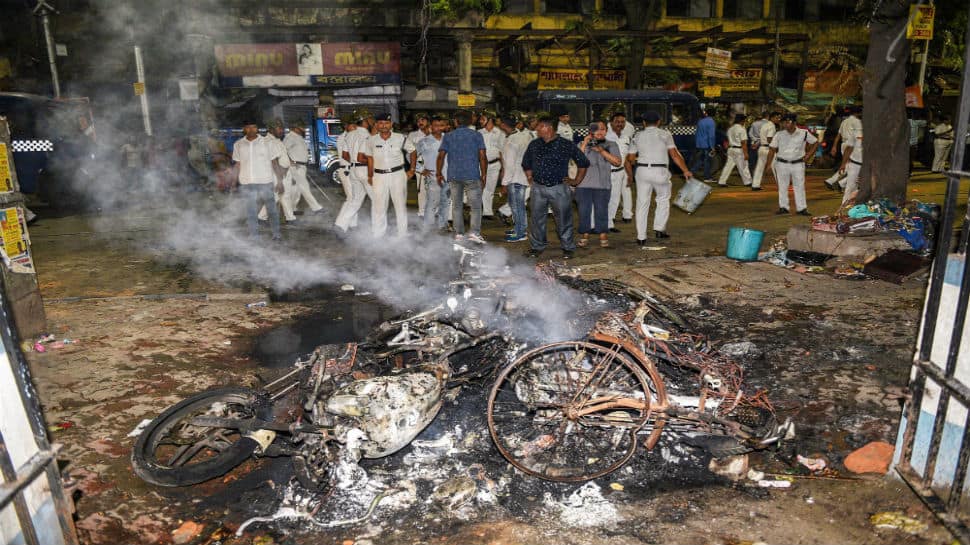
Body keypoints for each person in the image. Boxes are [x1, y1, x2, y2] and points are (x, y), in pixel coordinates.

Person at [521, 115, 590, 259]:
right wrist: (529, 177)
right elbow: (526, 162)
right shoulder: (534, 144)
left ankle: (568, 247)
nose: (537, 129)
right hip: (538, 188)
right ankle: (537, 246)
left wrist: (576, 180)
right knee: (536, 218)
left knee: (564, 218)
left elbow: (583, 162)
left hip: (559, 188)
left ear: (549, 128)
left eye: (540, 126)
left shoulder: (565, 144)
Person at [627, 111, 692, 245]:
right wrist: (685, 170)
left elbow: (631, 158)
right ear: (658, 122)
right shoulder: (665, 134)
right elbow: (674, 155)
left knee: (642, 203)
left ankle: (641, 237)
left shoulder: (637, 136)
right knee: (662, 200)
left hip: (642, 171)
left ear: (644, 123)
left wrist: (643, 159)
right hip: (660, 171)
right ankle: (659, 229)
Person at [437, 110, 487, 243]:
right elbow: (482, 156)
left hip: (454, 175)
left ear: (455, 121)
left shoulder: (448, 136)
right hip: (472, 174)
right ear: (470, 121)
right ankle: (474, 233)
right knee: (475, 206)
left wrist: (438, 173)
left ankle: (459, 233)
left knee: (457, 206)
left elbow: (441, 156)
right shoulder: (477, 135)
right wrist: (484, 174)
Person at [365, 113, 415, 238]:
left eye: (386, 123)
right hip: (379, 176)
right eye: (380, 123)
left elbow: (413, 151)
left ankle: (402, 235)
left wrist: (412, 169)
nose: (383, 126)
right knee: (379, 206)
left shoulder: (400, 138)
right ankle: (378, 234)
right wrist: (370, 175)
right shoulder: (371, 140)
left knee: (400, 206)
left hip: (397, 175)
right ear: (376, 125)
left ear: (391, 124)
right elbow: (370, 158)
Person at [232, 119, 283, 240]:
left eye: (254, 127)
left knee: (271, 210)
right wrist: (233, 183)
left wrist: (280, 181)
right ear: (244, 129)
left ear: (257, 128)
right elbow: (237, 164)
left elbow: (274, 162)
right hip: (247, 182)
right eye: (248, 127)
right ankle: (254, 235)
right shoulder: (238, 144)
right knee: (251, 210)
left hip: (265, 181)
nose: (251, 130)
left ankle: (276, 233)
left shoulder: (267, 142)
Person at [577, 121, 622, 249]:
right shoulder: (581, 144)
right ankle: (585, 235)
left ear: (606, 131)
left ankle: (603, 235)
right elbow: (578, 160)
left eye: (603, 129)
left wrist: (601, 151)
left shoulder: (611, 144)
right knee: (584, 211)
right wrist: (585, 143)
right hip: (583, 184)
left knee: (602, 210)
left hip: (603, 184)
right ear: (590, 131)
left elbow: (617, 162)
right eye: (596, 129)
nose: (600, 131)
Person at [766, 113, 819, 216]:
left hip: (798, 164)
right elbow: (772, 149)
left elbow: (816, 142)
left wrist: (808, 155)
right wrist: (768, 164)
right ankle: (783, 207)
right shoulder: (779, 134)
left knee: (799, 186)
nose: (785, 124)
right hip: (781, 163)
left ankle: (801, 208)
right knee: (782, 186)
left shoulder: (804, 133)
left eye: (787, 122)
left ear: (794, 123)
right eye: (784, 122)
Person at [334, 109, 375, 234]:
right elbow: (363, 157)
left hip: (353, 170)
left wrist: (355, 163)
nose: (373, 121)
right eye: (371, 118)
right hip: (364, 170)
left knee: (356, 200)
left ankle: (340, 226)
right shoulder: (367, 135)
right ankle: (378, 230)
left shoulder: (350, 134)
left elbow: (345, 155)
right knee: (378, 200)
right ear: (366, 120)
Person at [413, 116, 450, 231]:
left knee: (446, 202)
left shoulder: (449, 139)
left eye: (441, 125)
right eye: (435, 126)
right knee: (432, 202)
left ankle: (442, 225)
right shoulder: (424, 141)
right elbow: (412, 156)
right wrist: (420, 169)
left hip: (448, 177)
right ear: (431, 127)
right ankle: (427, 227)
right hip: (432, 177)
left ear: (445, 126)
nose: (438, 128)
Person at [498, 115, 531, 243]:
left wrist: (504, 183)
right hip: (520, 176)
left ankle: (520, 233)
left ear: (503, 125)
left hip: (515, 178)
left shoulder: (512, 141)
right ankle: (519, 228)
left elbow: (510, 165)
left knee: (517, 206)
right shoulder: (522, 136)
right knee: (517, 205)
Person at [282, 119, 324, 217]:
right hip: (295, 166)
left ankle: (292, 209)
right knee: (304, 187)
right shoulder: (290, 137)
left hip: (301, 166)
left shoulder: (298, 137)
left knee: (296, 190)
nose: (304, 129)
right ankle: (316, 208)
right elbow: (283, 150)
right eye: (302, 127)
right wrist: (290, 162)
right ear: (296, 128)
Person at [258, 119, 296, 225]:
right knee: (278, 196)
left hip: (283, 172)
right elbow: (273, 161)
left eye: (282, 128)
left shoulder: (277, 140)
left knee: (281, 196)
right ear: (271, 129)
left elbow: (282, 155)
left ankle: (289, 218)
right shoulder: (269, 141)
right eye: (279, 128)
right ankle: (289, 219)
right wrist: (279, 180)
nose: (282, 130)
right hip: (276, 173)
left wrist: (290, 162)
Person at [606, 112, 634, 231]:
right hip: (607, 172)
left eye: (622, 122)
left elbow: (626, 158)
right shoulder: (605, 136)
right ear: (611, 122)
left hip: (621, 172)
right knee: (606, 198)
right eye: (617, 122)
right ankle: (604, 223)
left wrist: (630, 175)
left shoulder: (625, 137)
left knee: (615, 198)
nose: (620, 124)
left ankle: (610, 222)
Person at [824, 106, 862, 191]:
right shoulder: (857, 122)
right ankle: (837, 182)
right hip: (852, 146)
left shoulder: (844, 121)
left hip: (843, 145)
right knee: (854, 166)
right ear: (857, 113)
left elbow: (838, 136)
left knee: (849, 166)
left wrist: (834, 147)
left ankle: (838, 183)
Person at [478, 109, 506, 219]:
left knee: (490, 188)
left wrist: (504, 168)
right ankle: (477, 209)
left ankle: (487, 212)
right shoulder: (479, 133)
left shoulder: (500, 133)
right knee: (479, 187)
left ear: (490, 119)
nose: (480, 121)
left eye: (482, 119)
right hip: (480, 164)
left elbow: (502, 151)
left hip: (494, 164)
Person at [717, 114, 753, 187]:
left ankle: (722, 181)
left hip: (731, 149)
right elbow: (743, 142)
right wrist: (746, 153)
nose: (745, 122)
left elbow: (727, 139)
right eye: (744, 120)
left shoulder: (730, 128)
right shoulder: (742, 129)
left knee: (728, 166)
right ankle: (748, 182)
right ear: (742, 120)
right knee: (743, 166)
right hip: (739, 149)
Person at [335, 116, 358, 228]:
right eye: (353, 125)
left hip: (351, 169)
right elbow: (347, 155)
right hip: (346, 169)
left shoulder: (351, 136)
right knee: (351, 198)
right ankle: (340, 223)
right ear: (346, 126)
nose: (355, 127)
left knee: (355, 197)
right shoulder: (344, 137)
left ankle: (353, 224)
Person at [406, 114, 431, 217]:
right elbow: (409, 155)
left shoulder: (436, 133)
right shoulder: (413, 135)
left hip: (436, 165)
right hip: (420, 165)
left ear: (428, 121)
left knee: (436, 189)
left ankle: (437, 211)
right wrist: (419, 168)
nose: (420, 122)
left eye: (423, 120)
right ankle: (422, 212)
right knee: (422, 190)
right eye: (418, 121)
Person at [751, 111, 781, 191]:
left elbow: (761, 138)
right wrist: (776, 147)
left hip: (762, 148)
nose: (778, 119)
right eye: (777, 117)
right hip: (769, 149)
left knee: (759, 167)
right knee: (776, 167)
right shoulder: (772, 126)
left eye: (779, 118)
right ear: (772, 118)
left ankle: (755, 185)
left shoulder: (764, 125)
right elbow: (769, 138)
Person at [837, 127, 863, 204]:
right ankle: (844, 204)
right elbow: (848, 150)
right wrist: (843, 164)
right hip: (855, 164)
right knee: (850, 187)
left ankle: (857, 204)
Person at [691, 109, 716, 182]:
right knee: (707, 161)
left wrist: (697, 143)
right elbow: (711, 136)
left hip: (700, 144)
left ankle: (691, 172)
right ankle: (707, 177)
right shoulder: (711, 122)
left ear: (707, 113)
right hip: (707, 144)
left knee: (701, 159)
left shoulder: (700, 121)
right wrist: (712, 147)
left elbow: (697, 133)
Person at [748, 110, 769, 175]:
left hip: (754, 143)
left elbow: (750, 134)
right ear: (768, 116)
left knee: (753, 160)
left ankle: (752, 173)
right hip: (764, 144)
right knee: (762, 161)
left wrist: (755, 140)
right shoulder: (769, 124)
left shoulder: (754, 123)